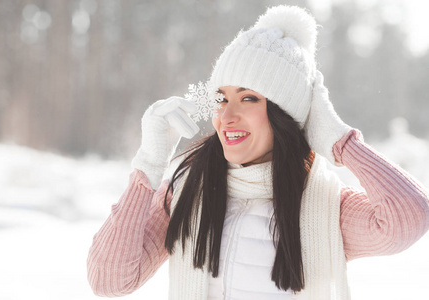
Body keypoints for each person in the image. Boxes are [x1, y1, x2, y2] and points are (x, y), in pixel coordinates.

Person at [87, 5, 429, 300]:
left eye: (248, 98)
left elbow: (408, 219)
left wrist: (340, 141)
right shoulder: (185, 193)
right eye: (221, 98)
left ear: (284, 114)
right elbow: (109, 281)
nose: (226, 116)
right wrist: (149, 164)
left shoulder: (326, 206)